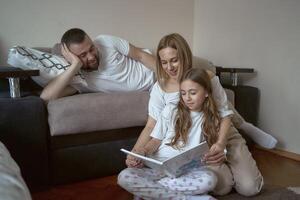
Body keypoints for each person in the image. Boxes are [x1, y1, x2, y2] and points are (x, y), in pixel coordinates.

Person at [126, 33, 265, 196]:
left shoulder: (207, 77)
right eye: (164, 62)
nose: (169, 67)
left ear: (184, 56)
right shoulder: (159, 88)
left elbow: (225, 115)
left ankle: (233, 163)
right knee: (222, 187)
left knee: (250, 188)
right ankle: (225, 171)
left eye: (174, 60)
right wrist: (135, 153)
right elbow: (151, 125)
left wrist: (220, 144)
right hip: (199, 144)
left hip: (222, 132)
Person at [118, 68, 226, 200]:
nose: (187, 98)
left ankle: (150, 192)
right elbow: (155, 141)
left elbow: (212, 148)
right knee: (124, 177)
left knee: (210, 180)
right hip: (158, 166)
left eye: (193, 93)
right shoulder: (171, 109)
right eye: (183, 93)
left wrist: (213, 155)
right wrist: (143, 152)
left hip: (187, 171)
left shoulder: (212, 118)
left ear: (207, 93)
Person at [40, 28, 156, 101]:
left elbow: (140, 55)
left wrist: (166, 77)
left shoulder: (105, 41)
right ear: (71, 56)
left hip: (156, 73)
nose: (91, 57)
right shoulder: (79, 79)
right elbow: (45, 97)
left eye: (91, 49)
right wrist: (75, 65)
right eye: (83, 55)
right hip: (153, 89)